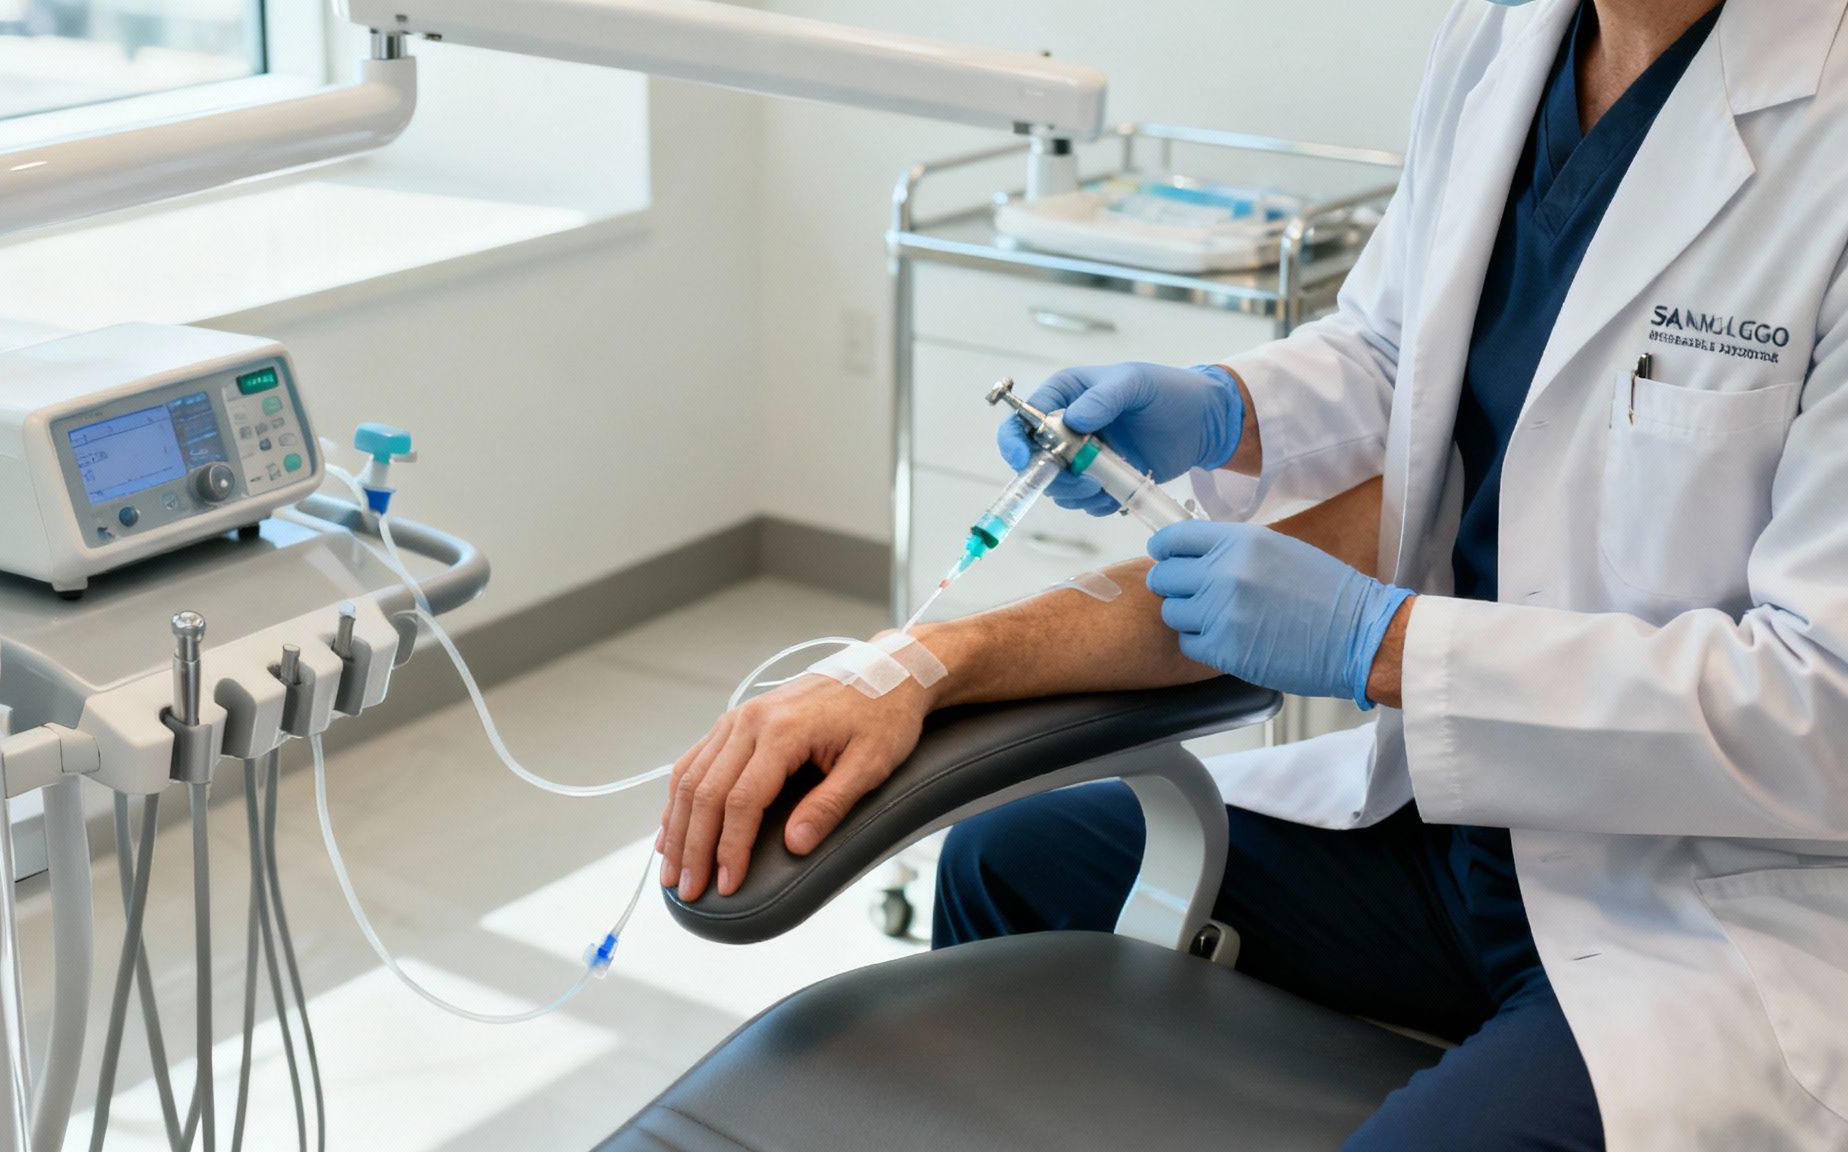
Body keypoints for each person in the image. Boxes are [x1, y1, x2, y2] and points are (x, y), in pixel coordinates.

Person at [659, 0, 1848, 1147]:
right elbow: (1399, 348)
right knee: (1005, 866)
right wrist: (1222, 410)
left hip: (1712, 897)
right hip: (1458, 833)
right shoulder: (1506, 34)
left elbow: (1822, 705)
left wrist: (1373, 645)